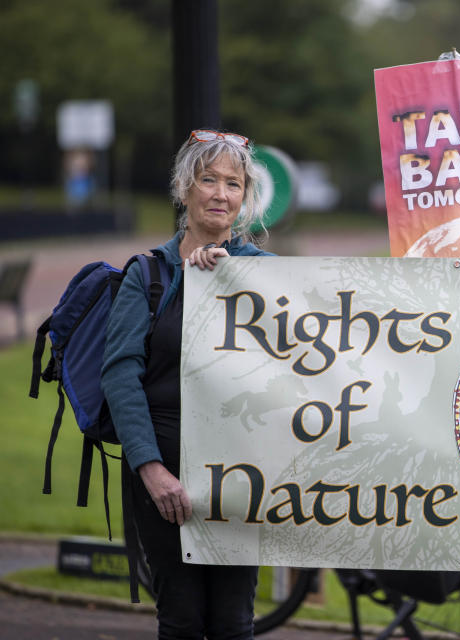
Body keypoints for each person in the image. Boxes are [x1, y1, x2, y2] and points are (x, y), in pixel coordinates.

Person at [102, 129, 274, 639]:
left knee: (233, 621)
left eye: (234, 184)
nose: (221, 193)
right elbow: (120, 373)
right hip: (165, 472)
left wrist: (232, 279)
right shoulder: (148, 274)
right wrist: (150, 470)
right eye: (208, 180)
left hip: (240, 474)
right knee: (180, 619)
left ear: (245, 198)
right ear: (184, 189)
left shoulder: (268, 274)